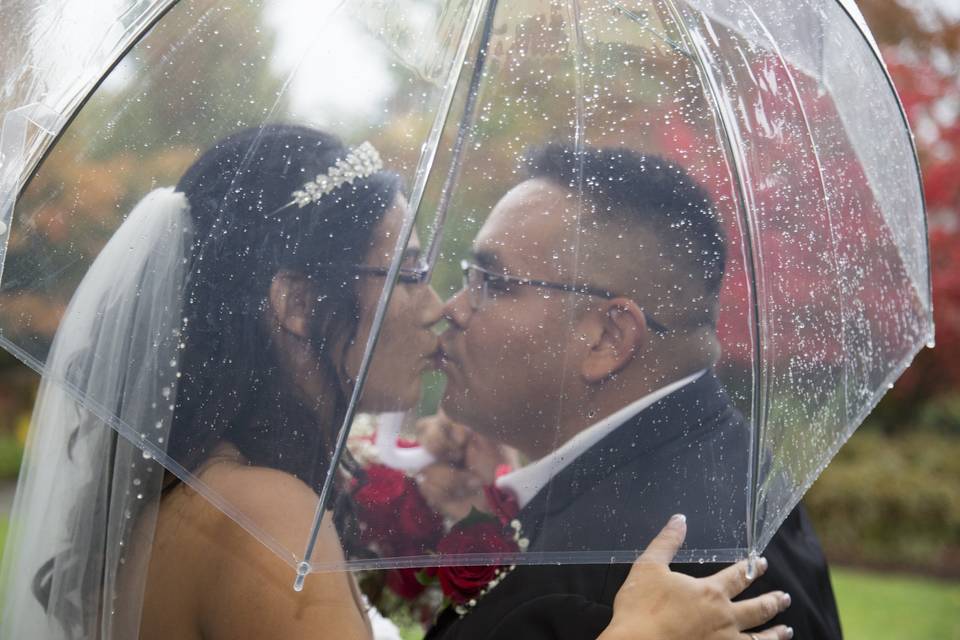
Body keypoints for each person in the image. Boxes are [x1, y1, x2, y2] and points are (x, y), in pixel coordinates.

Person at [0, 126, 791, 640]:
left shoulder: (209, 489)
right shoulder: (263, 515)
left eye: (482, 279)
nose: (442, 306)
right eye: (411, 272)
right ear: (300, 305)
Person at [421, 143, 843, 639]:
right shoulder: (726, 470)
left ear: (608, 337)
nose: (452, 308)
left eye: (492, 282)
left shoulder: (637, 573)